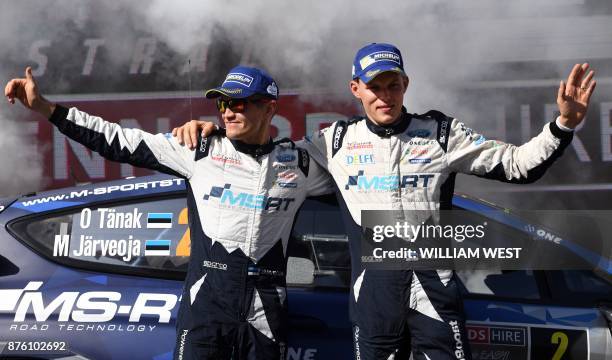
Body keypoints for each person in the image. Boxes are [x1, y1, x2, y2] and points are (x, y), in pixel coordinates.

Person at [171, 43, 596, 359]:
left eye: (393, 85)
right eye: (374, 87)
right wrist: (213, 130)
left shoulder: (441, 133)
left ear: (405, 85)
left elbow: (519, 165)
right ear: (356, 89)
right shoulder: (333, 142)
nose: (384, 96)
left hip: (435, 291)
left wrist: (563, 125)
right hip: (373, 299)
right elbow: (263, 159)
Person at [4, 65, 333, 360]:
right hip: (208, 303)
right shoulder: (198, 149)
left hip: (266, 307)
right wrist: (46, 108)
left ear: (270, 108)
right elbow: (116, 140)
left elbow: (362, 183)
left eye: (239, 103)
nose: (229, 113)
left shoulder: (300, 164)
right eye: (223, 104)